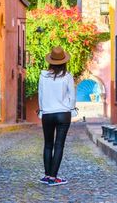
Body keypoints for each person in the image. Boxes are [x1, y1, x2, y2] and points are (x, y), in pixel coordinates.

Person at [37, 46, 76, 187]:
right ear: (64, 62)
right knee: (59, 145)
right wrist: (72, 108)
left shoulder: (43, 76)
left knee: (48, 144)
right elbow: (72, 96)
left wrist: (42, 110)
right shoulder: (67, 76)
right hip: (63, 114)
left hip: (47, 113)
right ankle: (53, 178)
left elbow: (40, 96)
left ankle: (47, 176)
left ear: (50, 61)